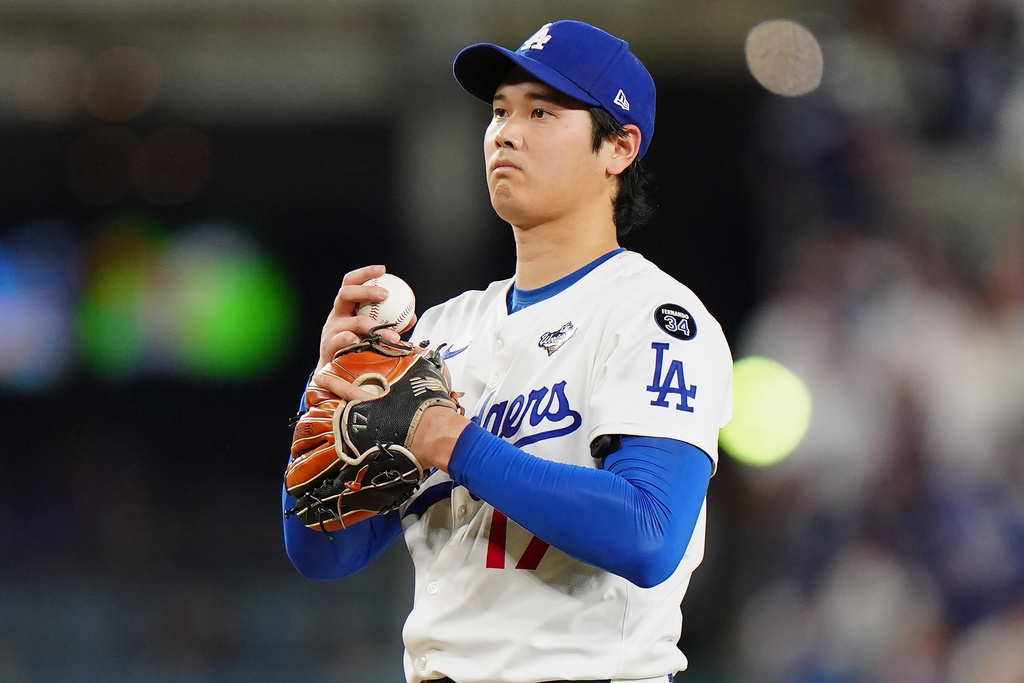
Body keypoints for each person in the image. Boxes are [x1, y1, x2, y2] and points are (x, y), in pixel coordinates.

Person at [283, 19, 734, 683]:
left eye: (542, 111)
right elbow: (326, 553)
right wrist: (324, 392)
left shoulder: (656, 318)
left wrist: (456, 443)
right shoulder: (438, 334)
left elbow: (647, 532)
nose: (505, 133)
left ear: (619, 146)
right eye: (499, 111)